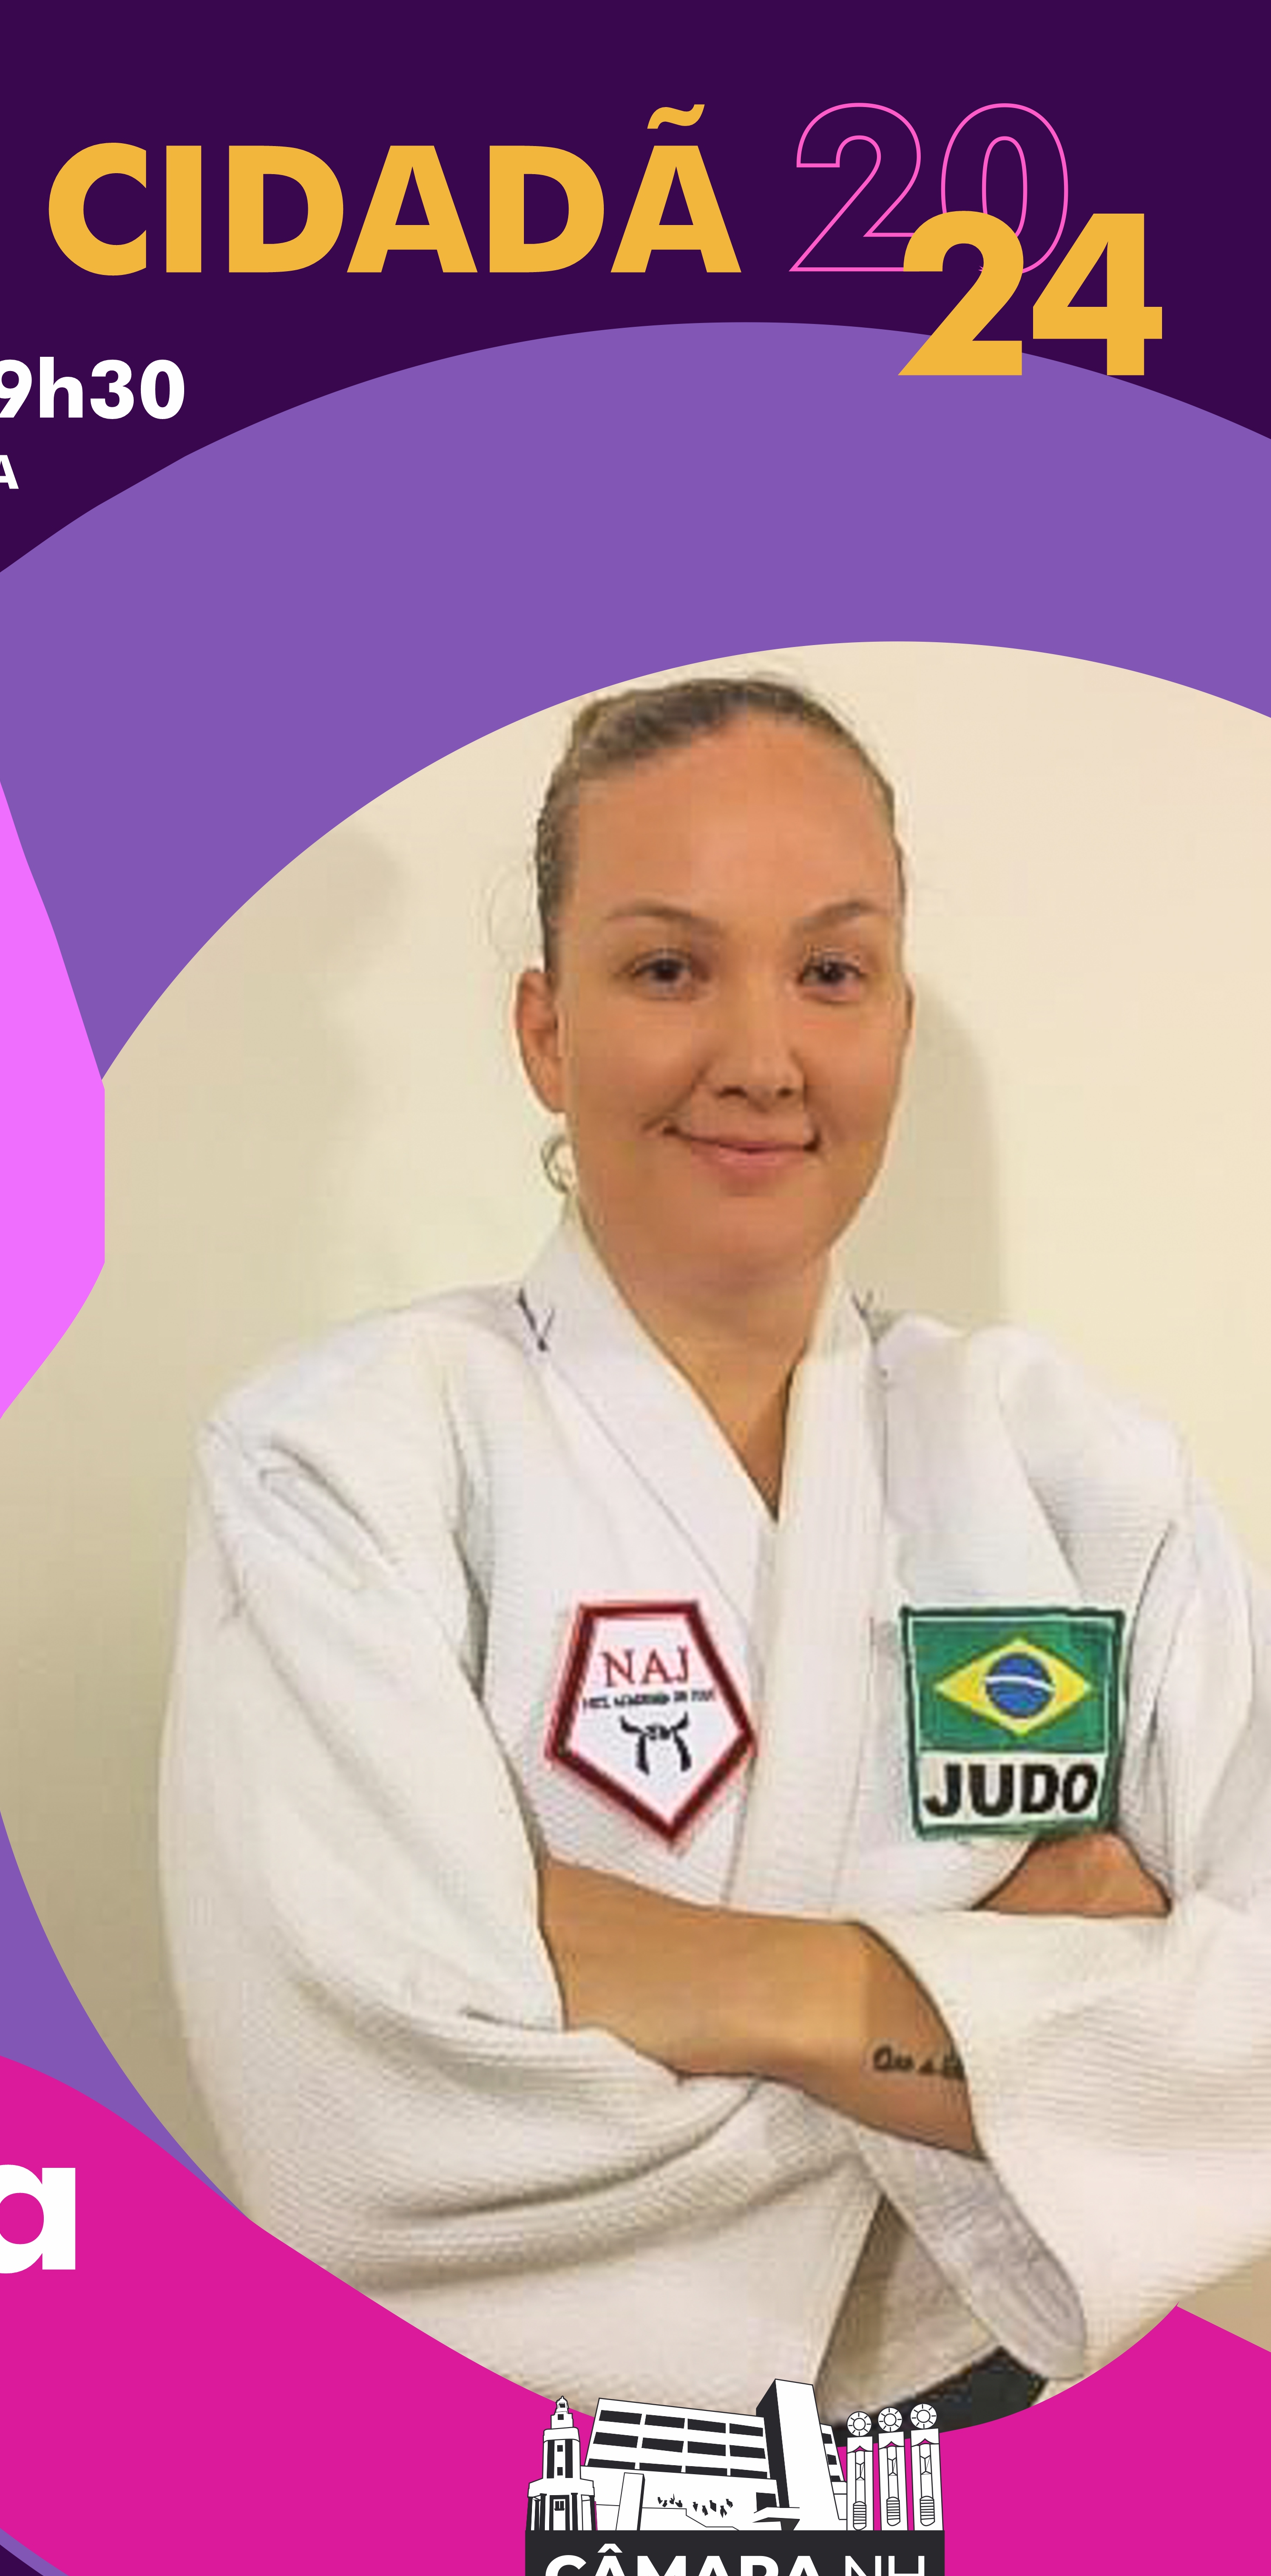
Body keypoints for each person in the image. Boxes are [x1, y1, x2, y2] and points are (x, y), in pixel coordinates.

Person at [158, 678, 1271, 2427]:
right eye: (669, 967)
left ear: (895, 1017)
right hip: (514, 2447)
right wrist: (1035, 2005)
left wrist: (723, 1973)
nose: (761, 1054)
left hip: (995, 2429)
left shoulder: (1070, 1469)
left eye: (830, 970)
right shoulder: (344, 1463)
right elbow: (367, 2122)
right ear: (545, 1029)